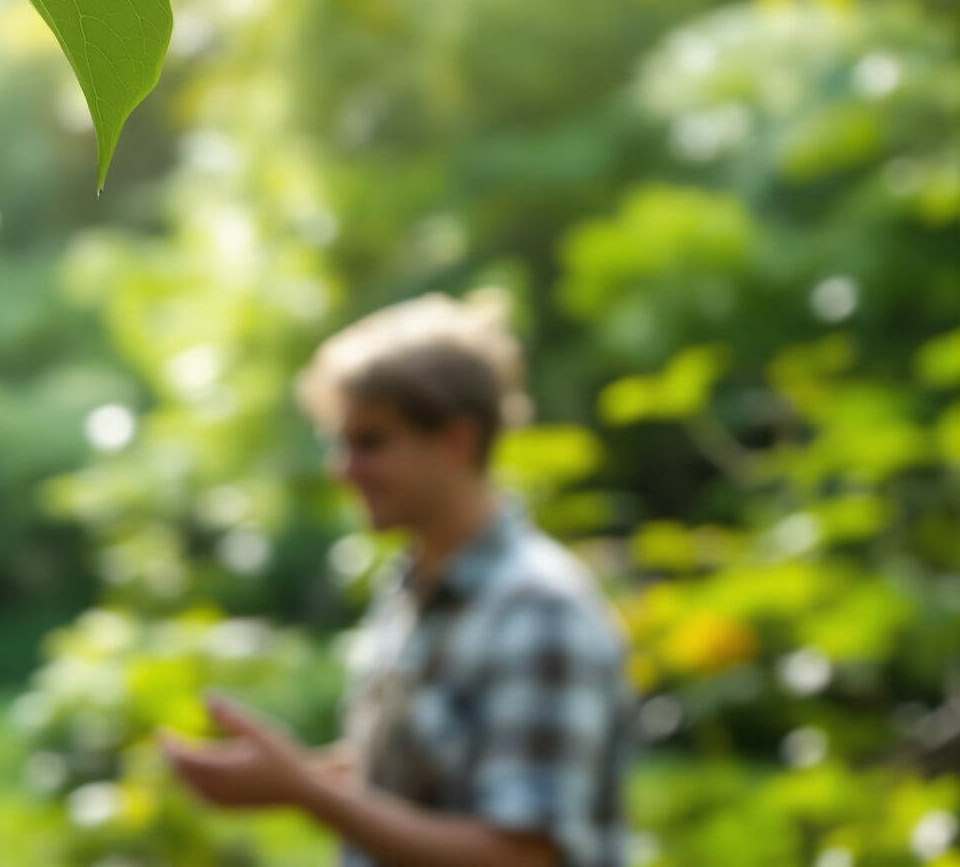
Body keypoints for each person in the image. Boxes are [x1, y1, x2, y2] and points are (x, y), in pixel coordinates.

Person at [158, 292, 633, 867]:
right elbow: (412, 775)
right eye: (341, 442)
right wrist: (287, 774)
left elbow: (523, 855)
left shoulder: (538, 608)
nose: (343, 469)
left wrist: (304, 793)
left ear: (455, 438)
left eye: (371, 442)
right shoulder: (412, 590)